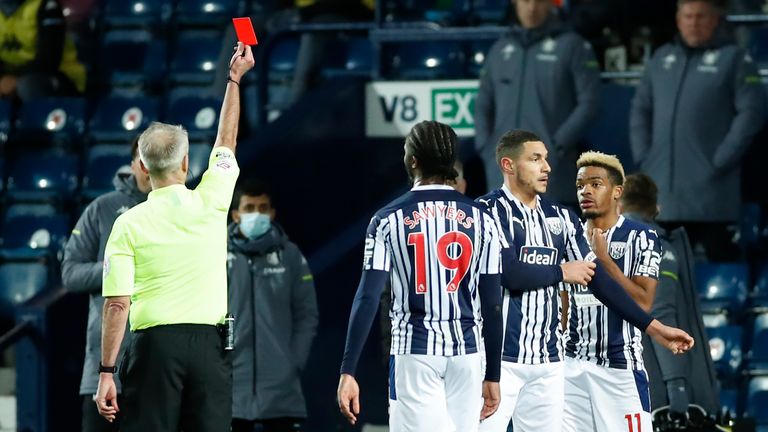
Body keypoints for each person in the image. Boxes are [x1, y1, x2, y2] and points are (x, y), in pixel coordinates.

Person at [475, 130, 694, 432]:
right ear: (508, 165)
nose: (547, 167)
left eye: (546, 159)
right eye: (535, 159)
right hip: (500, 361)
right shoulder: (485, 212)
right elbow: (507, 273)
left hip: (550, 364)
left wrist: (654, 329)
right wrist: (561, 272)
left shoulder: (561, 219)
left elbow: (597, 280)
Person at [94, 42, 255, 431]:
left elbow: (117, 305)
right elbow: (226, 142)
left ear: (145, 169)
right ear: (185, 163)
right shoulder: (213, 200)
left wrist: (106, 372)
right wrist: (234, 79)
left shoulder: (127, 223)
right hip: (209, 347)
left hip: (153, 350)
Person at [629, 0, 765, 261]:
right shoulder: (661, 59)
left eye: (701, 16)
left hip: (711, 197)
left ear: (715, 20)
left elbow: (752, 112)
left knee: (719, 270)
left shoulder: (734, 59)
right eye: (688, 16)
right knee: (661, 283)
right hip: (662, 199)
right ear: (678, 20)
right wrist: (644, 156)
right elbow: (640, 109)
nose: (693, 22)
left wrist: (721, 159)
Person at [562, 151, 661, 432]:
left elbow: (643, 304)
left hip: (620, 370)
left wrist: (604, 259)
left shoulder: (641, 237)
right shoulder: (567, 238)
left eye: (595, 184)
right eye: (581, 185)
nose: (586, 191)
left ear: (617, 191)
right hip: (572, 369)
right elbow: (564, 306)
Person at [62, 138, 151, 432]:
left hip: (161, 369)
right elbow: (71, 274)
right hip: (103, 370)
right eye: (144, 159)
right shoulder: (102, 208)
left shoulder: (181, 213)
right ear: (133, 163)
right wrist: (116, 268)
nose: (150, 167)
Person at [474, 0, 599, 202]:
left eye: (539, 1)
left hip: (551, 172)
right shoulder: (500, 48)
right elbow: (482, 104)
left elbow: (590, 103)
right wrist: (487, 148)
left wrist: (557, 145)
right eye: (525, 1)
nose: (531, 8)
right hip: (502, 171)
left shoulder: (572, 45)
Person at [619, 173, 719, 423]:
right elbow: (659, 313)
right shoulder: (656, 246)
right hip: (652, 392)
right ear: (656, 208)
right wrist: (678, 388)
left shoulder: (594, 246)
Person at [227, 179, 318, 432]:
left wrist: (293, 361)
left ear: (272, 213)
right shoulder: (217, 255)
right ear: (236, 215)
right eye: (249, 208)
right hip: (231, 390)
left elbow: (307, 314)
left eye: (262, 207)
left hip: (281, 391)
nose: (256, 214)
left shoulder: (290, 255)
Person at [0, 0, 85, 102]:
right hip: (10, 77)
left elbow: (49, 60)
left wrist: (14, 78)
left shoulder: (46, 5)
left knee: (28, 85)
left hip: (59, 75)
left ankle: (37, 117)